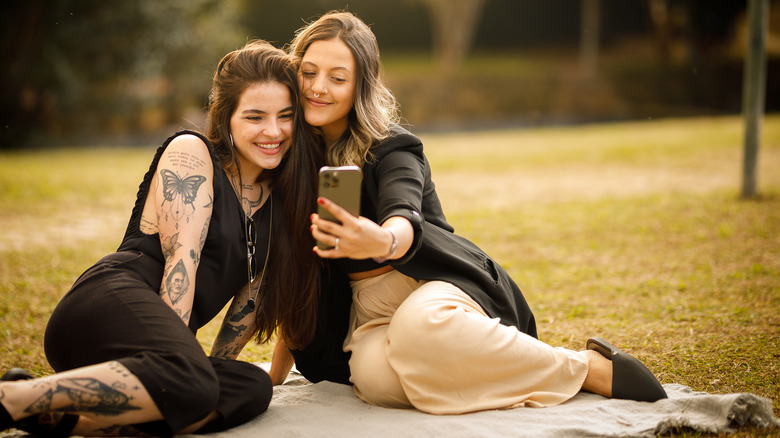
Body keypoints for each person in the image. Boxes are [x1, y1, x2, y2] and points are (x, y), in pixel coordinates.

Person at [275, 10, 667, 414]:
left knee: (418, 329)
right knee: (373, 382)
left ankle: (586, 368)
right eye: (308, 72)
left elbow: (404, 210)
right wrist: (274, 375)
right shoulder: (293, 160)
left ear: (361, 85)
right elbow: (299, 274)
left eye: (337, 78)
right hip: (369, 314)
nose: (318, 88)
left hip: (435, 287)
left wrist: (383, 240)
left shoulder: (393, 147)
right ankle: (493, 366)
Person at [0, 40, 321, 437]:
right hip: (106, 306)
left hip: (159, 355)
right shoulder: (192, 154)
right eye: (255, 117)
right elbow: (179, 266)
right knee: (192, 383)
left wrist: (207, 371)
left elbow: (248, 305)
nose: (273, 131)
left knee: (251, 387)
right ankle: (10, 398)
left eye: (285, 116)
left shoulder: (280, 203)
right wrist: (183, 370)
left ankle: (64, 421)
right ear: (227, 118)